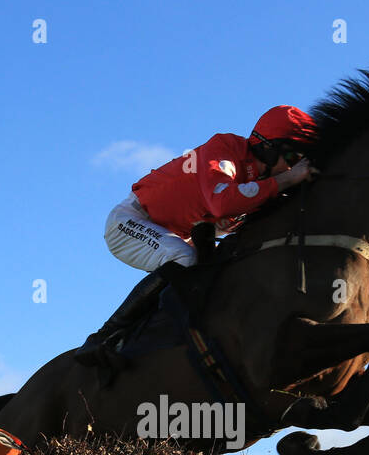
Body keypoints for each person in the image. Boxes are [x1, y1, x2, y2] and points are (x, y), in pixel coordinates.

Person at [74, 105, 319, 367]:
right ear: (269, 148)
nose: (292, 168)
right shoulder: (225, 148)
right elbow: (222, 203)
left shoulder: (262, 182)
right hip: (130, 222)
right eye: (292, 158)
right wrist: (287, 180)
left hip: (179, 234)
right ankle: (102, 337)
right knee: (184, 257)